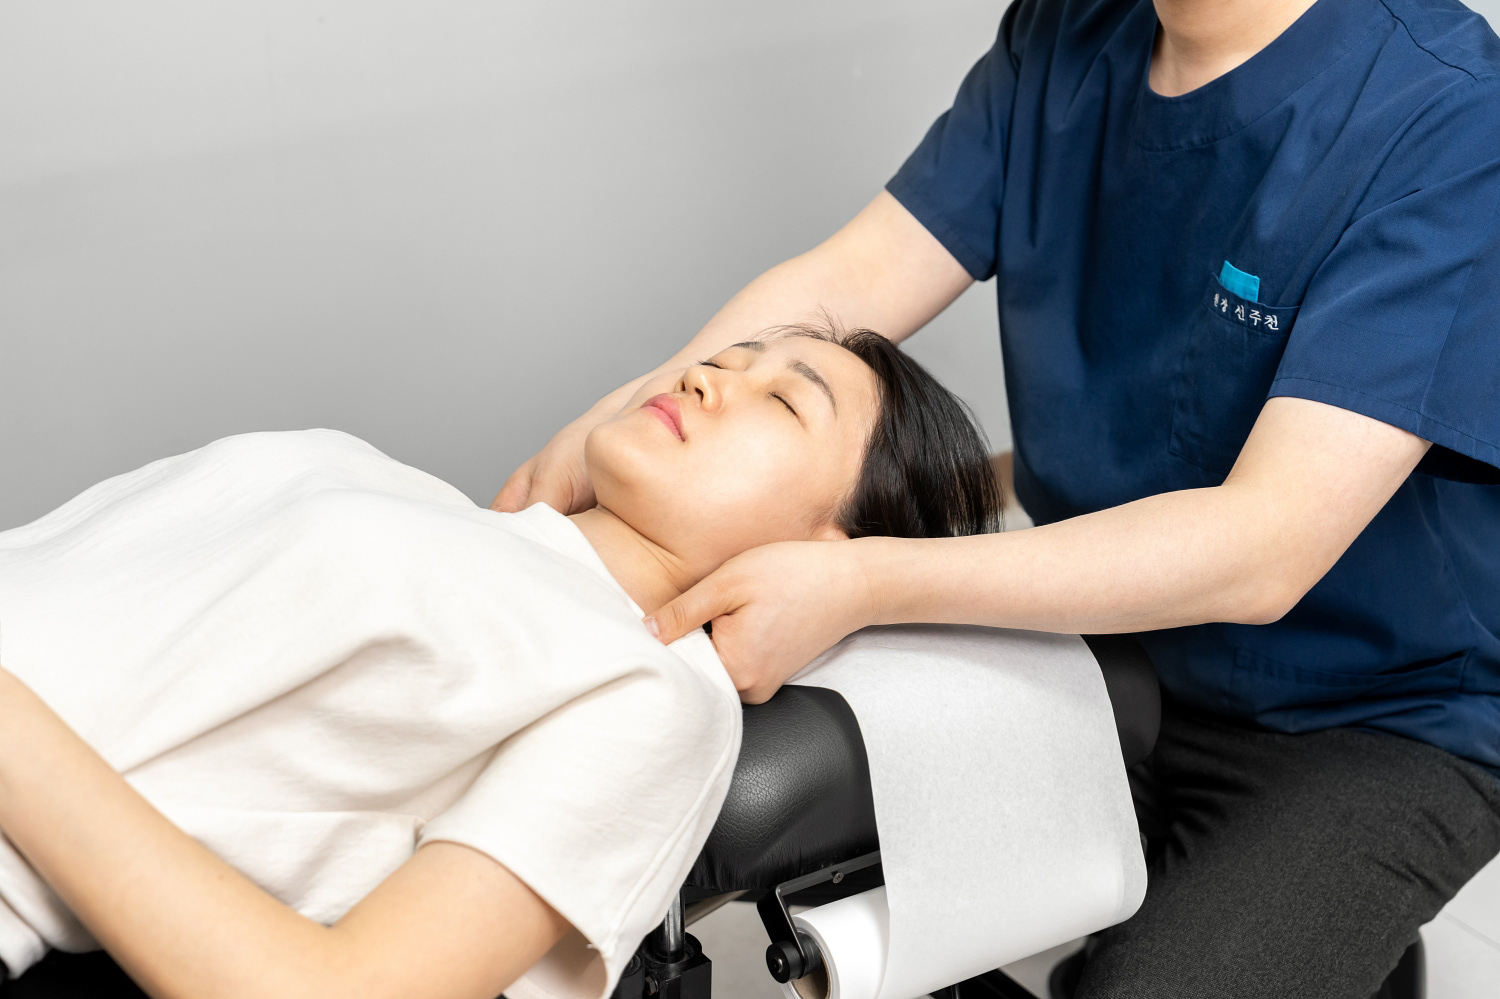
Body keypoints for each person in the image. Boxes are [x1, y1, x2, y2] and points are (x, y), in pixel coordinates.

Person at [495, 0, 1500, 995]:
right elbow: (852, 279)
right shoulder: (1067, 37)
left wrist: (862, 582)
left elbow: (1265, 547)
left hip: (1378, 715)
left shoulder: (1443, 114)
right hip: (1101, 645)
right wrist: (617, 422)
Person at [0, 328, 999, 999]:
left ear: (833, 552)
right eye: (728, 355)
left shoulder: (651, 691)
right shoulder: (407, 493)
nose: (708, 376)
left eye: (783, 401)